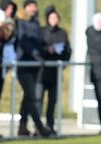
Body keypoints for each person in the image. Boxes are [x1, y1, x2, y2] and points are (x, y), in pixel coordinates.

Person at [15, 0, 52, 137]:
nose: (33, 8)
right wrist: (36, 54)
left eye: (35, 6)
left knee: (27, 97)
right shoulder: (20, 22)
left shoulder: (36, 23)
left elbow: (39, 42)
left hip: (35, 65)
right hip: (24, 63)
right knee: (31, 95)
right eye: (30, 6)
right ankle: (40, 126)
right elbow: (23, 41)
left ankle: (22, 126)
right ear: (25, 8)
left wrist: (46, 50)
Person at [39, 5, 71, 135]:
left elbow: (68, 50)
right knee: (39, 100)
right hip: (42, 72)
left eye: (56, 17)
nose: (54, 20)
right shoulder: (42, 32)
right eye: (51, 17)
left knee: (53, 101)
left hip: (56, 73)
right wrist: (47, 50)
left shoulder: (62, 33)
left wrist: (63, 63)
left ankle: (50, 125)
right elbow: (39, 48)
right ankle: (39, 126)